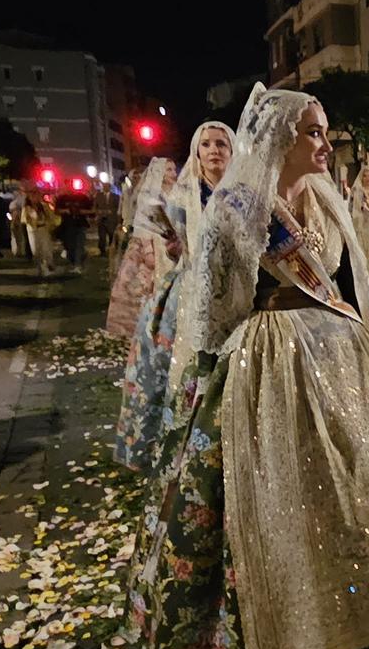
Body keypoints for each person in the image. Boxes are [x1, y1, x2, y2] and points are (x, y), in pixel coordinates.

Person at [127, 84, 369, 649]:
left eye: (325, 131)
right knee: (284, 492)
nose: (326, 142)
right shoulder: (237, 205)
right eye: (314, 132)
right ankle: (290, 640)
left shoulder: (321, 196)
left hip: (337, 353)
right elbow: (215, 310)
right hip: (268, 363)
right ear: (281, 138)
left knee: (364, 482)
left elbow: (344, 276)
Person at [114, 121, 235, 472]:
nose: (214, 151)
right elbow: (178, 250)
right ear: (197, 152)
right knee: (175, 371)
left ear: (232, 151)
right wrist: (175, 245)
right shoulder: (183, 195)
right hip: (188, 290)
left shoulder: (240, 194)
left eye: (221, 144)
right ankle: (175, 447)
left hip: (229, 292)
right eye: (207, 144)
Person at [105, 160, 178, 337]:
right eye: (169, 170)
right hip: (152, 245)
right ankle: (149, 327)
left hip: (171, 245)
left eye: (174, 169)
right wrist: (149, 251)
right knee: (149, 290)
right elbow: (143, 226)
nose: (173, 173)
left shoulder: (177, 193)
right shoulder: (149, 195)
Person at [22, 190, 62, 277]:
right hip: (32, 230)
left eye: (37, 196)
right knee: (36, 250)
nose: (35, 198)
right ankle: (40, 268)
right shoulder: (27, 208)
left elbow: (51, 216)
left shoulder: (44, 206)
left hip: (43, 229)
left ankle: (47, 266)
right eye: (33, 196)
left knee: (46, 249)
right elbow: (24, 220)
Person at [56, 192, 91, 275]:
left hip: (80, 225)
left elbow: (91, 210)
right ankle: (74, 262)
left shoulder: (83, 198)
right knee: (70, 246)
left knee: (79, 245)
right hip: (67, 226)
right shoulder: (62, 198)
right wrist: (65, 211)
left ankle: (77, 265)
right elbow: (56, 210)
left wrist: (81, 212)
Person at [9, 185, 32, 259]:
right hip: (18, 221)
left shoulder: (27, 199)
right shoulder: (17, 200)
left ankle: (26, 252)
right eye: (22, 191)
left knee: (25, 237)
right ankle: (21, 252)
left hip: (26, 221)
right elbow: (12, 208)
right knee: (19, 237)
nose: (23, 192)